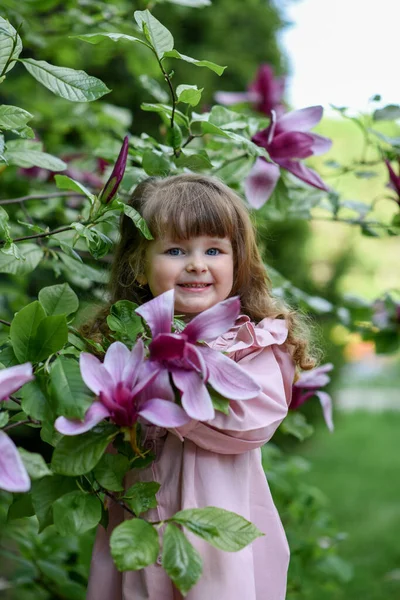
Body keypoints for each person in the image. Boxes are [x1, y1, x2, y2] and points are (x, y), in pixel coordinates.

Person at [84, 173, 318, 600]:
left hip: (213, 540)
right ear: (138, 265)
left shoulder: (249, 345)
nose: (196, 263)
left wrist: (168, 384)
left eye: (214, 249)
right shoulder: (123, 344)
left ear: (238, 262)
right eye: (176, 250)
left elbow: (251, 421)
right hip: (140, 524)